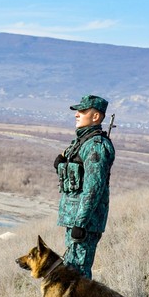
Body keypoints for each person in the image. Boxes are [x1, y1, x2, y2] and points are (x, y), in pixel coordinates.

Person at [54, 94, 115, 279]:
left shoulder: (96, 147)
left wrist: (80, 224)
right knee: (71, 271)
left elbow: (93, 189)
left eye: (82, 111)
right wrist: (61, 166)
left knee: (78, 275)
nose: (77, 114)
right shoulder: (82, 143)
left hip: (84, 224)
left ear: (96, 116)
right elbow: (76, 179)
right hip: (75, 220)